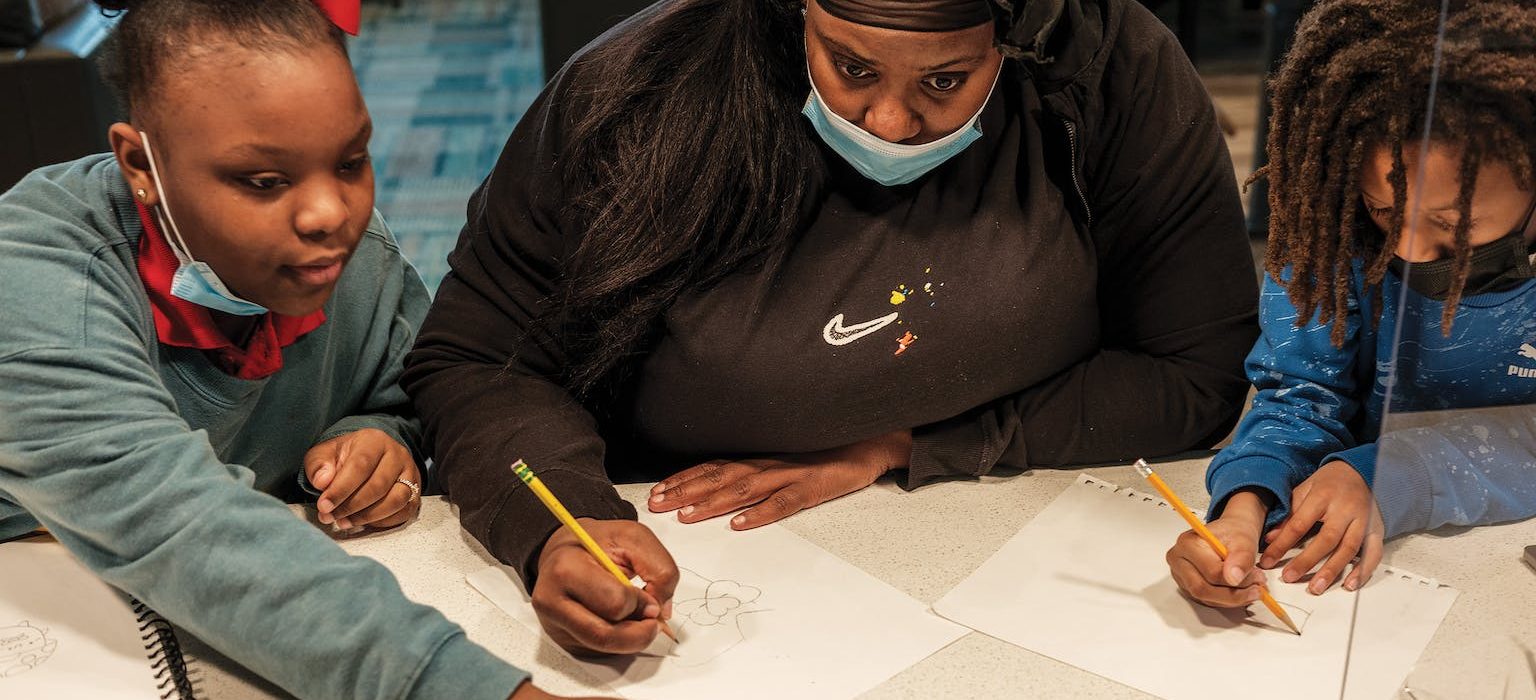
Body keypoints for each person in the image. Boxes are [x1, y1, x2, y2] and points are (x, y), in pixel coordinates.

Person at [404, 0, 1259, 655]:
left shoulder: (1109, 73)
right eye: (851, 67)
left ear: (1013, 36)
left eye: (944, 82)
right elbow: (480, 359)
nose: (888, 122)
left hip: (1004, 552)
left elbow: (1192, 370)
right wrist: (562, 523)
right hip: (685, 543)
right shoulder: (637, 89)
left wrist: (905, 444)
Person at [0, 1, 582, 697]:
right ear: (139, 164)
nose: (330, 214)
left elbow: (402, 391)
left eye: (350, 161)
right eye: (264, 182)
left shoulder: (353, 263)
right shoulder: (36, 277)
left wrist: (375, 437)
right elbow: (173, 520)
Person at [1167, 0, 1536, 610]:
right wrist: (1247, 500)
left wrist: (1385, 472)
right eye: (1383, 211)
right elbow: (1299, 393)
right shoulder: (1330, 236)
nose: (1408, 251)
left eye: (1453, 224)